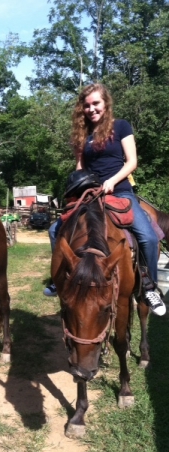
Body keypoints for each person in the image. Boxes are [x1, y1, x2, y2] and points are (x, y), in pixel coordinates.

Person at [44, 83, 166, 316]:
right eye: (87, 105)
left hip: (119, 191)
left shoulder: (121, 126)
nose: (91, 109)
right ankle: (58, 279)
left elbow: (132, 161)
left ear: (105, 104)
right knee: (53, 231)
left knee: (148, 237)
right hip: (89, 195)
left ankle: (149, 286)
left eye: (96, 104)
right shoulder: (82, 134)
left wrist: (112, 181)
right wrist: (76, 186)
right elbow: (80, 166)